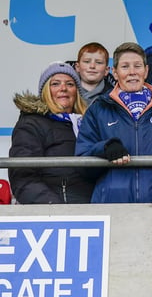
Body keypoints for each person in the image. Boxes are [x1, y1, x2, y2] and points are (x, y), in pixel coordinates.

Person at [75, 42, 152, 203]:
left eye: (137, 66)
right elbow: (82, 162)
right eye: (125, 67)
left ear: (146, 70)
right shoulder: (99, 108)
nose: (132, 72)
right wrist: (104, 148)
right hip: (111, 205)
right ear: (114, 72)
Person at [9, 61, 94, 203]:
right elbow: (23, 177)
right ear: (45, 91)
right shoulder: (31, 124)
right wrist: (53, 208)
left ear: (77, 92)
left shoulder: (88, 123)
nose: (63, 88)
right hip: (55, 215)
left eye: (70, 84)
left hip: (96, 211)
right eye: (55, 84)